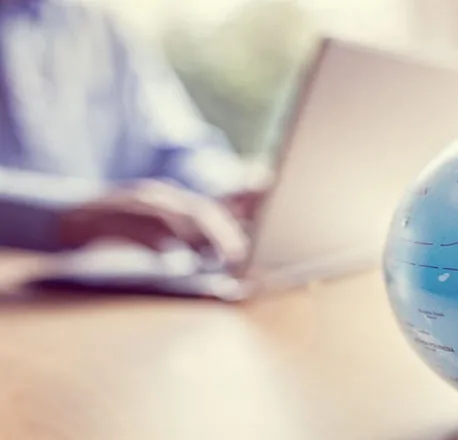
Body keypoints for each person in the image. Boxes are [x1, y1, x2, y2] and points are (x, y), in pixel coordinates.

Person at [0, 0, 264, 266]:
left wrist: (227, 192)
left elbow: (172, 147)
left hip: (92, 286)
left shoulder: (103, 30)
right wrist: (65, 214)